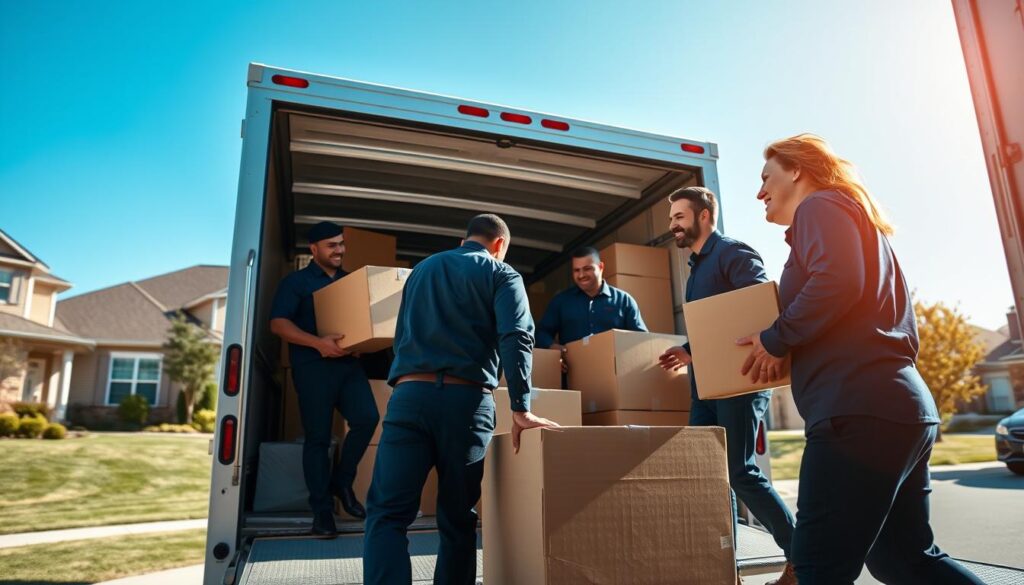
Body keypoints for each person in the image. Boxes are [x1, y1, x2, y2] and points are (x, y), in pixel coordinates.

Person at [740, 134, 983, 584]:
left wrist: (776, 338)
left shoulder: (821, 207)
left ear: (796, 169)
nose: (759, 193)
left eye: (765, 178)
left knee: (816, 568)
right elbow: (845, 302)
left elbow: (837, 281)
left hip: (856, 412)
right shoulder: (851, 219)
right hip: (896, 408)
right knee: (904, 559)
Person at [363, 213, 559, 585]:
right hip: (466, 404)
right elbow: (517, 337)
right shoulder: (502, 274)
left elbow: (401, 334)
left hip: (409, 398)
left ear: (463, 239)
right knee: (456, 516)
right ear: (499, 244)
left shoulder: (421, 270)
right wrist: (521, 407)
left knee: (387, 514)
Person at [657, 186, 796, 585]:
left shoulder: (733, 253)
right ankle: (721, 565)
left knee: (740, 472)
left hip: (741, 382)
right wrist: (688, 350)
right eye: (671, 219)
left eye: (679, 217)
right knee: (707, 474)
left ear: (704, 216)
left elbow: (757, 307)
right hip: (705, 385)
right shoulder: (697, 266)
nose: (673, 226)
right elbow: (712, 325)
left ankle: (802, 558)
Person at [269, 221, 380, 537]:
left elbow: (361, 325)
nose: (340, 250)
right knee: (317, 439)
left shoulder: (350, 283)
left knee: (367, 418)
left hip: (348, 368)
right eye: (332, 245)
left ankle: (341, 483)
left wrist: (360, 345)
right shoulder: (296, 282)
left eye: (342, 244)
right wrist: (319, 343)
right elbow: (278, 324)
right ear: (314, 249)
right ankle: (322, 512)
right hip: (313, 369)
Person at [535, 246, 647, 372]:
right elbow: (541, 333)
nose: (581, 275)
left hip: (614, 374)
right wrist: (552, 348)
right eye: (576, 270)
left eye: (587, 269)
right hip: (573, 375)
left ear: (601, 267)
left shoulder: (624, 300)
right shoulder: (561, 301)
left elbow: (641, 338)